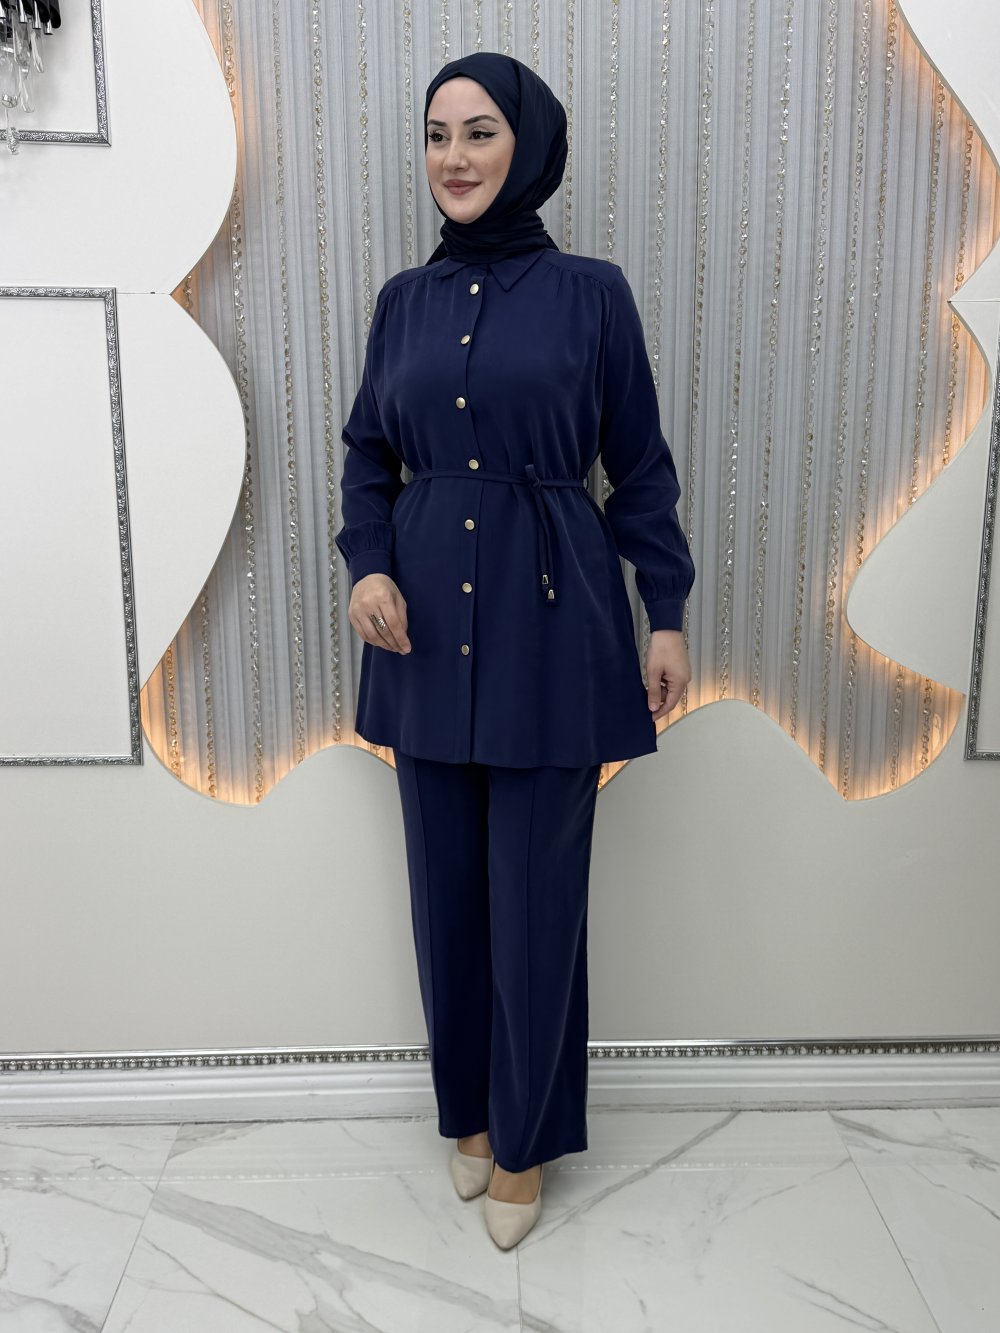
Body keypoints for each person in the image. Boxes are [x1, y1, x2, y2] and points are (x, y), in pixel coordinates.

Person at [334, 51, 694, 1249]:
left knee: (536, 899)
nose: (454, 157)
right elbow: (367, 457)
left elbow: (638, 468)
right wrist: (368, 564)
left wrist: (665, 611)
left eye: (479, 131)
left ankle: (527, 1138)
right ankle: (472, 1116)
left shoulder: (592, 295)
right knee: (445, 895)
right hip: (421, 630)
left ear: (527, 143)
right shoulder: (403, 302)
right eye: (437, 134)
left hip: (553, 625)